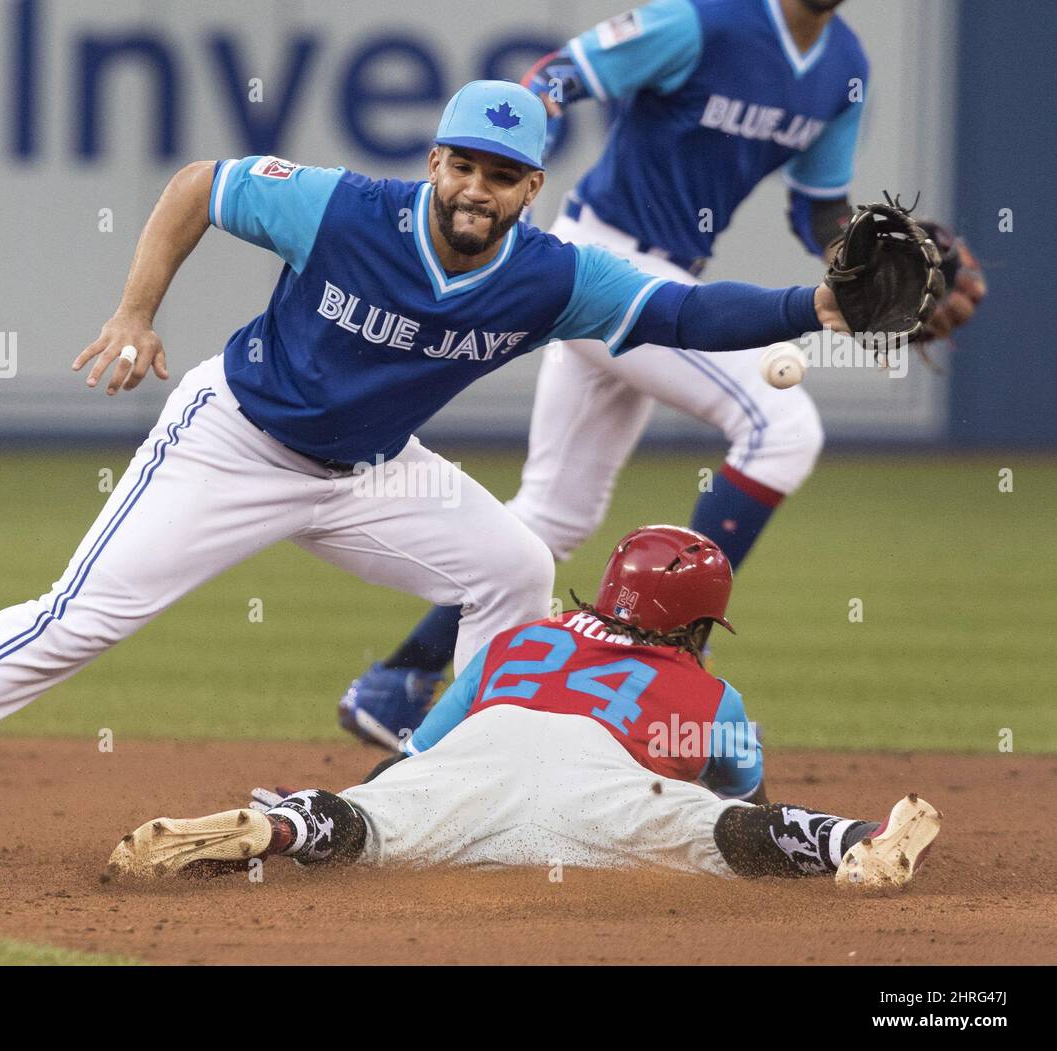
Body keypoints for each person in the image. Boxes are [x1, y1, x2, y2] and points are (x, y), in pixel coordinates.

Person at [0, 79, 857, 866]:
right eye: (460, 164)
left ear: (532, 187)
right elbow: (197, 186)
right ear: (435, 162)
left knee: (511, 569)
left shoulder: (551, 276)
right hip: (234, 442)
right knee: (74, 620)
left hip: (371, 472)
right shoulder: (346, 208)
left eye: (499, 174)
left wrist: (815, 304)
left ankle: (440, 796)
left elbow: (680, 312)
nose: (474, 188)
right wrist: (134, 311)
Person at [339, 0, 986, 749]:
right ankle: (667, 659)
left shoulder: (844, 69)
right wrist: (532, 113)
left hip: (664, 280)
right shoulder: (699, 22)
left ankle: (397, 683)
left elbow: (819, 211)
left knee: (554, 513)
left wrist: (877, 266)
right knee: (782, 428)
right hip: (605, 265)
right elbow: (558, 73)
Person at [108, 526, 941, 889]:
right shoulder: (710, 692)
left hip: (481, 752)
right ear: (695, 622)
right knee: (714, 836)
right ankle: (858, 839)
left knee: (374, 817)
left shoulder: (517, 641)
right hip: (604, 784)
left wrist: (374, 804)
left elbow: (414, 760)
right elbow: (742, 808)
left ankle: (278, 826)